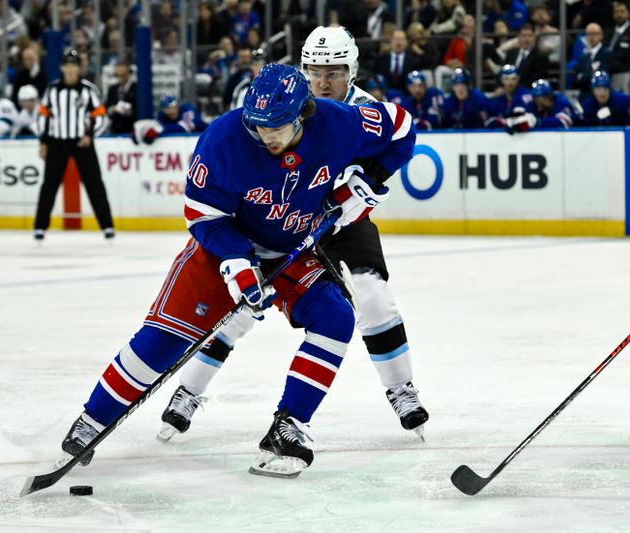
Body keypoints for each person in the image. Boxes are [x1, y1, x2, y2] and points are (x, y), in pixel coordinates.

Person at [53, 63, 416, 479]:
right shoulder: (225, 138)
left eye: (277, 127)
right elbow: (202, 214)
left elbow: (402, 128)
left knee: (336, 317)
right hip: (222, 250)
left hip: (289, 252)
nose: (267, 136)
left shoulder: (338, 122)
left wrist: (368, 179)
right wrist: (238, 262)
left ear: (303, 113)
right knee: (165, 338)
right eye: (259, 126)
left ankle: (289, 426)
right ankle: (91, 421)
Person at [159, 27, 428, 445]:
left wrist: (368, 183)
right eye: (315, 72)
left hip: (341, 223)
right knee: (242, 305)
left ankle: (401, 388)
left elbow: (395, 144)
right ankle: (189, 389)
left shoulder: (365, 111)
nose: (323, 82)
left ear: (351, 71)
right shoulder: (279, 105)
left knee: (372, 295)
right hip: (277, 221)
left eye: (334, 72)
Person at [35, 49, 114, 241]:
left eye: (74, 65)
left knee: (94, 184)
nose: (70, 69)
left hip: (82, 142)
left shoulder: (88, 89)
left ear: (79, 68)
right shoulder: (52, 90)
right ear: (62, 68)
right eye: (67, 65)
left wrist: (90, 135)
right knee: (49, 185)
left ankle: (107, 226)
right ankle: (40, 227)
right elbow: (43, 116)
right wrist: (43, 141)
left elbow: (100, 116)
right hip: (56, 142)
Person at [506, 79, 577, 132]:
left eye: (539, 98)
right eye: (535, 98)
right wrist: (514, 122)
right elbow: (525, 117)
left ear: (548, 97)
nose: (537, 102)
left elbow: (565, 122)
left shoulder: (561, 101)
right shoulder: (534, 103)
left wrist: (538, 122)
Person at [485, 64, 534, 128]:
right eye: (506, 79)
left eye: (513, 78)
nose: (510, 82)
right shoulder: (498, 100)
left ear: (518, 79)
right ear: (501, 80)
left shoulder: (527, 95)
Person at [575, 23, 613, 98]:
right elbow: (576, 80)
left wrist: (583, 76)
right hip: (585, 95)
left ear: (601, 35)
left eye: (594, 34)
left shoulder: (607, 53)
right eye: (589, 34)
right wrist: (592, 73)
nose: (591, 37)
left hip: (601, 95)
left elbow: (602, 76)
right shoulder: (583, 56)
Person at [605, 1, 630, 75]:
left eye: (622, 11)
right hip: (608, 71)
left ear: (628, 13)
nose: (619, 15)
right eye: (616, 12)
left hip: (625, 72)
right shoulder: (608, 32)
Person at [105, 62, 137, 134]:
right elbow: (106, 107)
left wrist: (130, 111)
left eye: (123, 75)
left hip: (131, 129)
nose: (120, 78)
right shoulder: (112, 89)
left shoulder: (137, 89)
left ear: (129, 74)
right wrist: (112, 109)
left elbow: (141, 109)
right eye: (118, 75)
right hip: (115, 129)